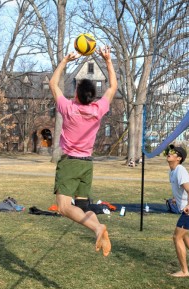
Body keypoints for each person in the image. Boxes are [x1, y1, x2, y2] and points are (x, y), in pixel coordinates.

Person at [48, 46, 117, 257]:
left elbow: (52, 83)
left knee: (63, 206)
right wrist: (107, 60)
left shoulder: (69, 108)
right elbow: (113, 86)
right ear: (92, 96)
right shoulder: (98, 110)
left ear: (76, 94)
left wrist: (65, 61)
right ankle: (99, 232)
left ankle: (98, 228)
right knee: (83, 206)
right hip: (87, 163)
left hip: (70, 163)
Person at [165, 144, 189, 277]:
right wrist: (176, 198)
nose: (169, 153)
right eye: (169, 151)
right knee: (184, 235)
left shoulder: (180, 170)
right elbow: (181, 189)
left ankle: (184, 271)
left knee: (177, 237)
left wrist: (188, 204)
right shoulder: (172, 171)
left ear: (179, 158)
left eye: (173, 152)